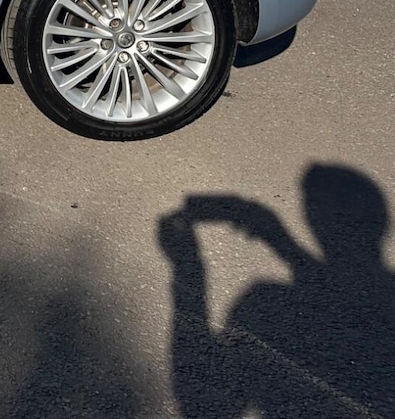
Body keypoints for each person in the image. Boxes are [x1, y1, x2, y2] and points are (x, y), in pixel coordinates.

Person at [158, 165, 393, 418]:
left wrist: (189, 271)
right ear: (381, 223)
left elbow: (202, 407)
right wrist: (283, 244)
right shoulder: (274, 306)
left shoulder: (271, 308)